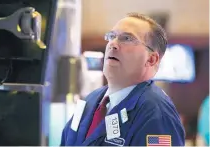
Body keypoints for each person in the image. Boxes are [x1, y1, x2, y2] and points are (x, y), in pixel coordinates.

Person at [60, 12, 185, 146]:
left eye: (126, 38)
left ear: (151, 59)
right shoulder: (90, 101)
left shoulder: (157, 113)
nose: (112, 44)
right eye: (111, 36)